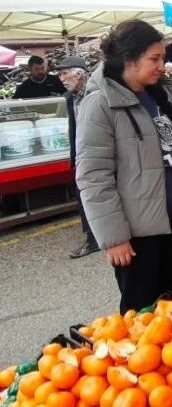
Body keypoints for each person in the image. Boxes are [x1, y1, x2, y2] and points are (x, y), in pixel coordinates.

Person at [76, 20, 172, 313]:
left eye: (162, 58)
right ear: (128, 58)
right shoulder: (99, 104)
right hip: (138, 234)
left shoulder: (161, 96)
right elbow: (93, 177)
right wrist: (114, 238)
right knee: (140, 315)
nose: (162, 65)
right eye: (155, 58)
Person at [53, 56, 99, 259]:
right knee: (83, 196)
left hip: (101, 153)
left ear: (79, 74)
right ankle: (92, 238)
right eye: (60, 74)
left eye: (64, 73)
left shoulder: (97, 93)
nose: (61, 78)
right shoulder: (69, 98)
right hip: (82, 155)